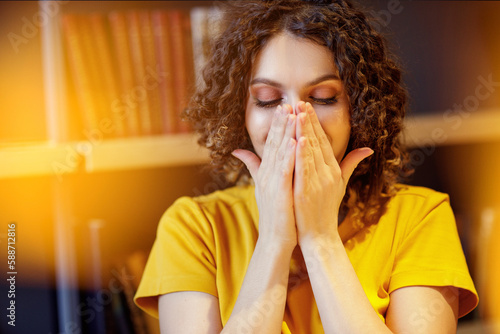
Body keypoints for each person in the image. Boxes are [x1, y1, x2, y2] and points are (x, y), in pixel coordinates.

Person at [134, 0, 478, 332]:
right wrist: (273, 239)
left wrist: (320, 237)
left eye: (323, 97)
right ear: (241, 114)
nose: (296, 119)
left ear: (358, 112)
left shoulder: (420, 217)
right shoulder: (193, 227)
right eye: (268, 99)